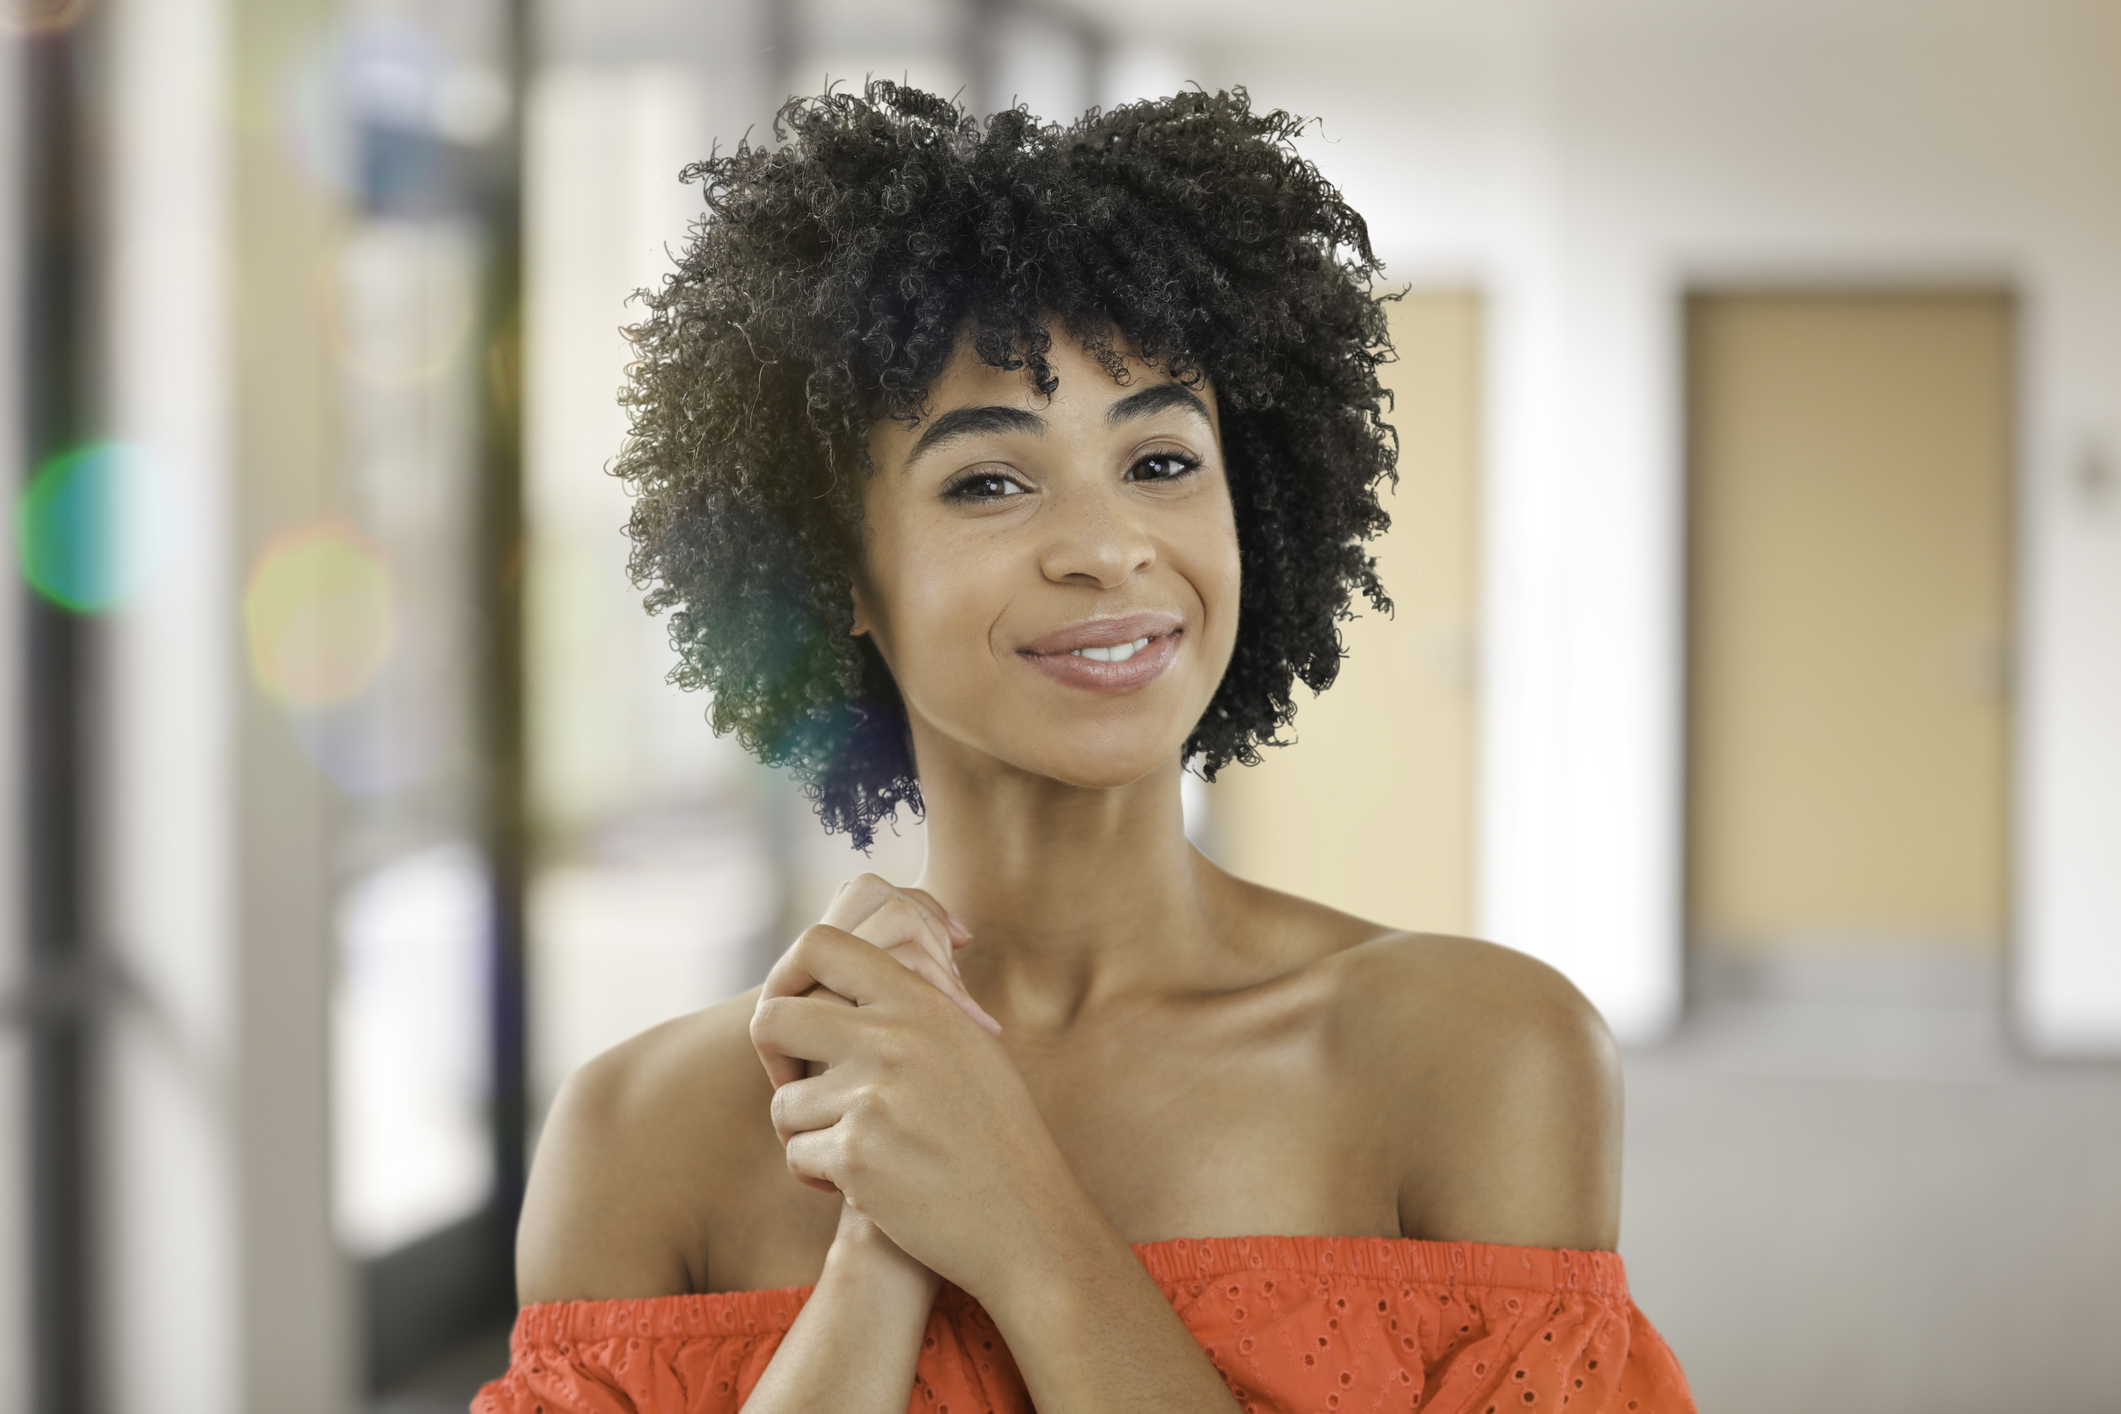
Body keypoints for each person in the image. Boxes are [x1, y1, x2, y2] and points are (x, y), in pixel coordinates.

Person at [474, 83, 1693, 1414]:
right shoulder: (637, 1133)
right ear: (839, 573)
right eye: (987, 480)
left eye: (1162, 459)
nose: (1108, 546)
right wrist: (878, 1248)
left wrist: (1014, 1218)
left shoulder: (1483, 1055)